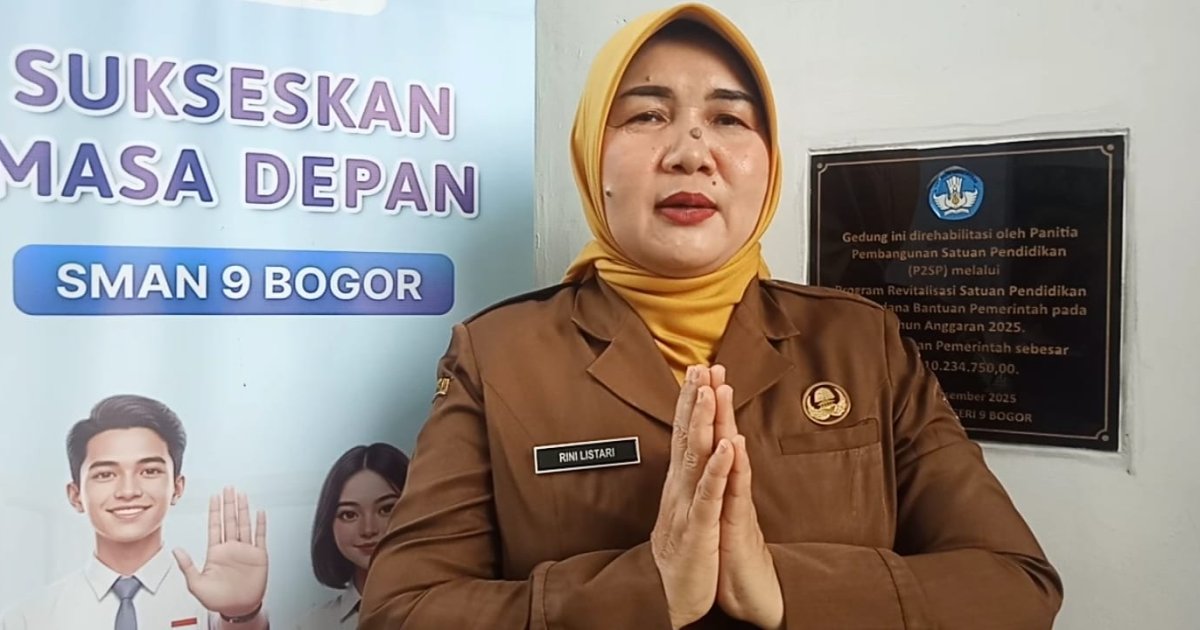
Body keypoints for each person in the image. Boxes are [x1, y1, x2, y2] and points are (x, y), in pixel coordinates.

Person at [359, 3, 1064, 629]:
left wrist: (781, 586)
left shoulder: (861, 343)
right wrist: (646, 589)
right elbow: (401, 609)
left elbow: (1015, 585)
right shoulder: (499, 356)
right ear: (590, 155)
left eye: (729, 119)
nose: (691, 153)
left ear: (768, 163)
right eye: (646, 115)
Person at [0, 394, 271, 630]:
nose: (128, 490)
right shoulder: (28, 620)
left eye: (149, 471)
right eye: (105, 474)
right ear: (75, 495)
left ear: (177, 488)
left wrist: (242, 615)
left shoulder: (218, 603)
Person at [291, 443, 409, 630]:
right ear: (329, 524)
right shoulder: (313, 626)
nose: (368, 529)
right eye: (349, 514)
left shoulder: (451, 611)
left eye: (386, 509)